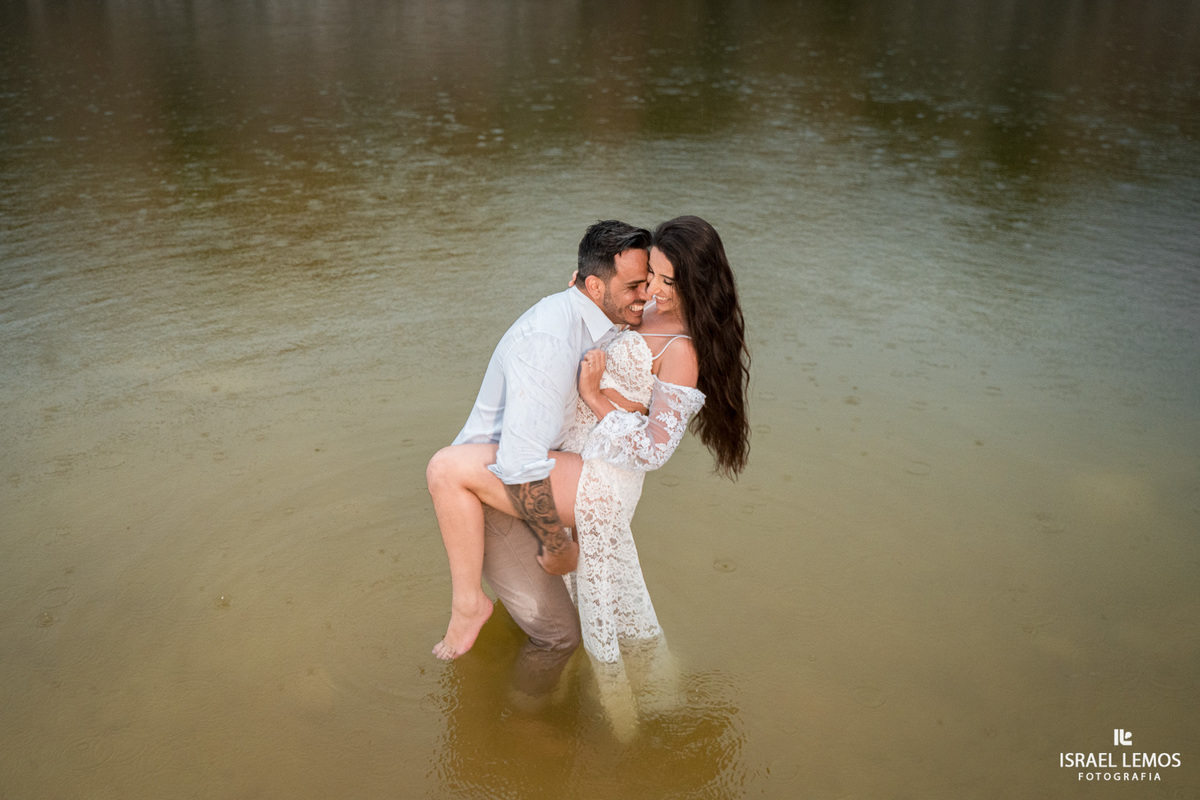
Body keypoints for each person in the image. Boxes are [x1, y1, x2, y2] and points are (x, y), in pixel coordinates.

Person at [427, 216, 750, 669]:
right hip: (577, 457)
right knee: (564, 607)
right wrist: (585, 295)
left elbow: (655, 448)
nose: (651, 289)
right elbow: (636, 392)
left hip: (602, 478)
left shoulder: (683, 349)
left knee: (446, 468)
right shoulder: (641, 309)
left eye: (663, 280)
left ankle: (471, 606)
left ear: (693, 284)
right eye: (649, 274)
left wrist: (597, 397)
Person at [426, 220, 653, 668]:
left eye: (646, 283)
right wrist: (558, 544)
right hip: (493, 491)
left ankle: (509, 624)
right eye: (633, 287)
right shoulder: (548, 342)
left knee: (543, 614)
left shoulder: (596, 312)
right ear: (593, 285)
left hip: (531, 476)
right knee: (560, 638)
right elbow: (520, 463)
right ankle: (520, 726)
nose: (644, 295)